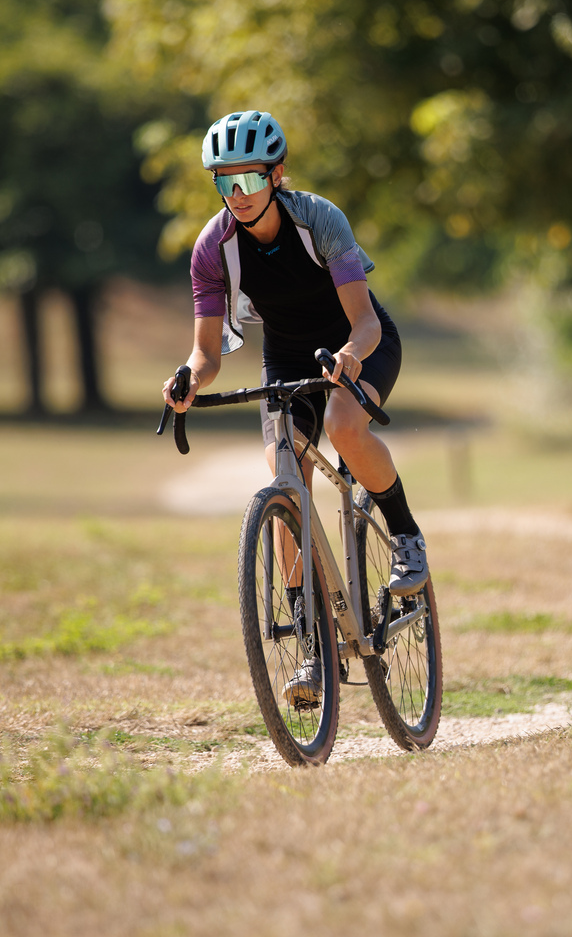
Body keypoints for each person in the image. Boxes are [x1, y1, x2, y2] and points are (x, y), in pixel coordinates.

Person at [162, 110, 428, 705]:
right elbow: (206, 354)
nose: (238, 195)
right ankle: (313, 644)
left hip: (359, 341)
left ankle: (407, 537)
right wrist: (187, 379)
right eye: (224, 183)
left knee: (341, 424)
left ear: (277, 175)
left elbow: (363, 321)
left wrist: (350, 357)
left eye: (250, 181)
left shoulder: (320, 219)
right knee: (286, 479)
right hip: (285, 355)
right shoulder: (213, 248)